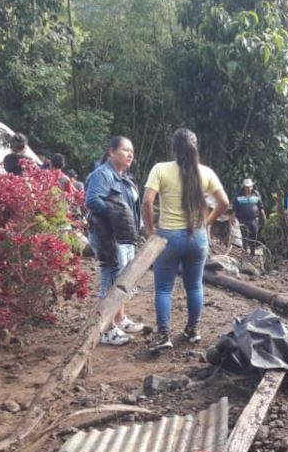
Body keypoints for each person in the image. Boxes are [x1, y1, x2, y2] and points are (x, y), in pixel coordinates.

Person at [142, 128, 229, 352]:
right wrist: (207, 222)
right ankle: (192, 330)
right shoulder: (206, 173)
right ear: (195, 147)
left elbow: (147, 202)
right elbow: (224, 202)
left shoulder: (160, 169)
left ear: (173, 148)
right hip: (197, 237)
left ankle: (163, 335)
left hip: (168, 237)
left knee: (163, 289)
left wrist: (151, 230)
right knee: (194, 285)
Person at [85, 136, 145, 345]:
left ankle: (119, 318)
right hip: (108, 236)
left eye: (132, 152)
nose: (130, 154)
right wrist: (115, 217)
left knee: (123, 279)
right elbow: (92, 200)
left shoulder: (123, 177)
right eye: (125, 150)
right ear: (111, 152)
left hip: (124, 237)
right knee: (110, 281)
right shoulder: (102, 175)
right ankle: (106, 329)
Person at [233, 178, 266, 256]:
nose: (248, 189)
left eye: (250, 187)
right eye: (247, 187)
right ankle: (244, 252)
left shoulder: (256, 195)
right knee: (244, 236)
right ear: (244, 187)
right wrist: (233, 217)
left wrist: (264, 216)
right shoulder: (239, 196)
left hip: (254, 219)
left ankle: (252, 253)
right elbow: (235, 208)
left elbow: (261, 206)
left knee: (254, 236)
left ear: (252, 187)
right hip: (243, 219)